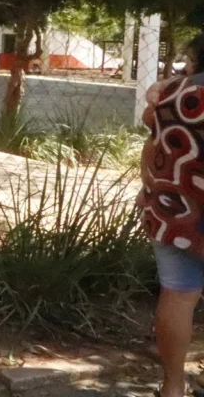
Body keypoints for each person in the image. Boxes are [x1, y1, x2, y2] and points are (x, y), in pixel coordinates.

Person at [139, 33, 204, 397]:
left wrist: (148, 188)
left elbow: (151, 132)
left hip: (174, 212)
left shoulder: (172, 93)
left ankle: (172, 388)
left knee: (178, 294)